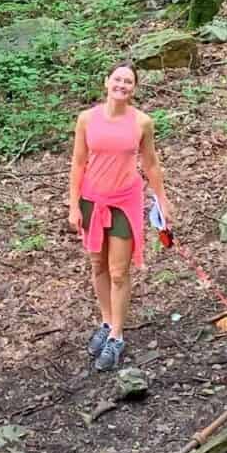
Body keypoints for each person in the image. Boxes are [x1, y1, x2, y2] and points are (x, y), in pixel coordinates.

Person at [67, 62, 172, 371]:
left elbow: (150, 164)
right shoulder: (87, 119)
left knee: (118, 272)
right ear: (106, 82)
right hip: (92, 201)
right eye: (117, 79)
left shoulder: (142, 122)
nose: (122, 85)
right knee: (97, 264)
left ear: (134, 88)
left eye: (128, 82)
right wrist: (74, 205)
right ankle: (105, 320)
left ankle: (116, 336)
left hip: (124, 201)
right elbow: (77, 162)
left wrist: (162, 200)